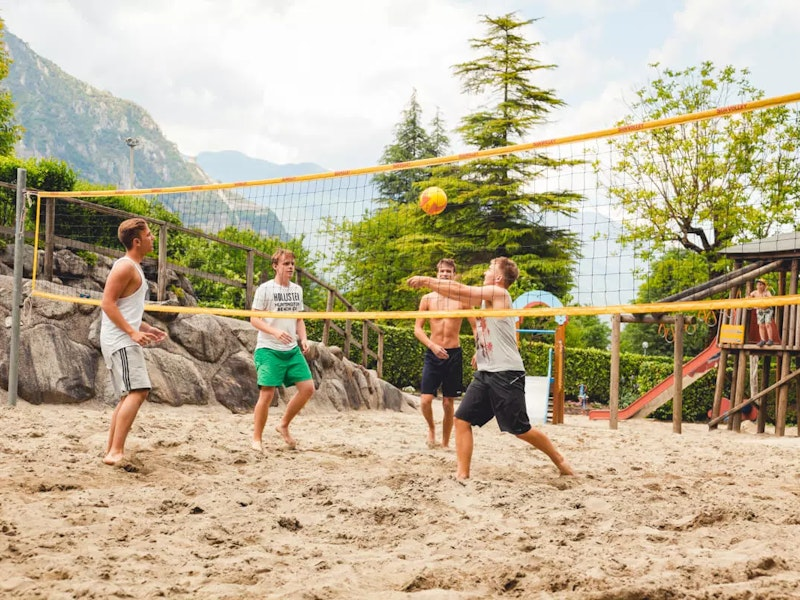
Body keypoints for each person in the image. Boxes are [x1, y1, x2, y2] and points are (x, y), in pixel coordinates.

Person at [408, 257, 574, 480]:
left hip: (506, 373)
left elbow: (459, 289)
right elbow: (459, 297)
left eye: (489, 267)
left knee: (520, 429)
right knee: (461, 419)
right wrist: (480, 349)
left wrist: (426, 280)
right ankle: (462, 476)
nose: (485, 270)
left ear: (497, 277)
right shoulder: (486, 299)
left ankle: (560, 461)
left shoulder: (500, 294)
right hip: (486, 372)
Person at [100, 218, 167, 466]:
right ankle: (116, 451)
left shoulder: (134, 268)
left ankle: (112, 450)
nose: (153, 238)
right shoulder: (125, 266)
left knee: (128, 395)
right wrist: (131, 332)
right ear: (137, 242)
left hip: (122, 337)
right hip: (120, 340)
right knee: (139, 391)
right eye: (149, 235)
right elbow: (107, 303)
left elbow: (124, 308)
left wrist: (147, 328)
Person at [250, 248, 314, 451]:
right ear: (275, 266)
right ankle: (257, 439)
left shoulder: (296, 290)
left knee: (308, 389)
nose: (290, 267)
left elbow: (299, 319)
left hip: (291, 349)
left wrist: (303, 339)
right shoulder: (265, 289)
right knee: (267, 394)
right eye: (286, 264)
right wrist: (275, 332)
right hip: (268, 348)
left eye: (292, 264)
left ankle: (283, 425)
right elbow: (254, 319)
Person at [413, 258, 476, 449]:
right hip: (433, 353)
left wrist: (479, 350)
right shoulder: (428, 299)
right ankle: (431, 428)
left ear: (454, 275)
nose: (445, 275)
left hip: (453, 354)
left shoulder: (462, 300)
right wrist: (432, 346)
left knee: (449, 403)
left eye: (449, 272)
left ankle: (446, 443)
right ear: (437, 274)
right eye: (442, 272)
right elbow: (417, 329)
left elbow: (476, 328)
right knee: (425, 400)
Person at [749, 278, 775, 347]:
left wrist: (766, 294)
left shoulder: (767, 292)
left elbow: (771, 299)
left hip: (767, 310)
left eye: (761, 285)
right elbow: (748, 298)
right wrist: (753, 305)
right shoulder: (754, 292)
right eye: (758, 285)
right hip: (760, 310)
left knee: (767, 324)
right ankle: (762, 340)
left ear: (764, 286)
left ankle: (770, 339)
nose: (759, 286)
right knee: (761, 325)